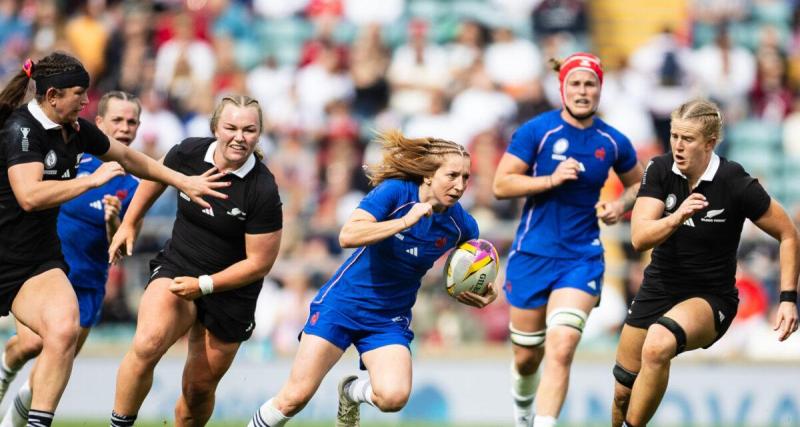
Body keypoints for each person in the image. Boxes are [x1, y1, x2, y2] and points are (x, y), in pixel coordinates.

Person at [0, 52, 226, 427]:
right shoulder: (21, 131)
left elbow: (128, 157)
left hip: (38, 260)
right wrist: (89, 181)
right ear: (52, 95)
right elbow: (29, 195)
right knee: (33, 343)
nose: (86, 101)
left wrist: (183, 181)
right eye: (79, 94)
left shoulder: (75, 128)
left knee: (63, 330)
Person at [248, 130, 498, 427]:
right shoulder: (395, 193)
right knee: (295, 397)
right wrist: (404, 222)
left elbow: (470, 268)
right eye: (452, 175)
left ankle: (351, 391)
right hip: (342, 305)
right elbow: (347, 235)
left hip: (388, 318)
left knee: (393, 397)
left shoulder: (462, 225)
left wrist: (484, 290)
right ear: (429, 175)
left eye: (466, 178)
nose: (460, 186)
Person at [611, 99, 799, 427]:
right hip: (659, 287)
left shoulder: (734, 181)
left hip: (710, 298)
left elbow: (788, 234)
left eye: (688, 139)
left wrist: (787, 299)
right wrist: (678, 214)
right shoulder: (659, 170)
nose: (678, 146)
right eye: (674, 137)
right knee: (622, 393)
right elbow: (640, 238)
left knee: (657, 344)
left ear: (710, 143)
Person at [107, 94, 283, 427]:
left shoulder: (263, 190)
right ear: (216, 127)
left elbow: (259, 263)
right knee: (148, 343)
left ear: (259, 135)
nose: (239, 137)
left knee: (198, 389)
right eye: (231, 127)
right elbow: (154, 176)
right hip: (179, 266)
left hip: (231, 291)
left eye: (249, 129)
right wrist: (129, 222)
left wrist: (205, 285)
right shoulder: (188, 152)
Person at [492, 52, 643, 427]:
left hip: (581, 258)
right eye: (575, 83)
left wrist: (619, 205)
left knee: (561, 347)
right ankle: (523, 415)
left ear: (599, 90)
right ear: (562, 88)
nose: (582, 91)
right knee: (527, 357)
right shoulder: (536, 131)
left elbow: (639, 184)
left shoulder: (612, 140)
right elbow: (501, 183)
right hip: (531, 255)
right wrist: (550, 179)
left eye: (589, 84)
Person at [0, 91, 142, 426]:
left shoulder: (133, 186)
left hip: (87, 286)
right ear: (100, 123)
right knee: (33, 343)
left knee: (45, 377)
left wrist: (113, 223)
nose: (124, 127)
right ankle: (8, 366)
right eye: (117, 120)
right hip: (41, 273)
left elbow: (121, 247)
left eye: (132, 121)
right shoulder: (70, 159)